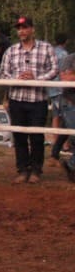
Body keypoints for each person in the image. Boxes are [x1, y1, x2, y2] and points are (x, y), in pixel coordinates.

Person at [0, 16, 58, 184]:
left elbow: (54, 69)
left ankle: (36, 170)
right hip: (17, 99)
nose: (22, 31)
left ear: (32, 29)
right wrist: (16, 79)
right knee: (19, 136)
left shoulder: (46, 48)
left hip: (37, 99)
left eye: (25, 27)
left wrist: (37, 78)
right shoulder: (11, 51)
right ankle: (22, 169)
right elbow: (3, 72)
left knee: (37, 136)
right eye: (19, 28)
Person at [48, 33, 69, 160]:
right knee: (65, 117)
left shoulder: (51, 52)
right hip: (61, 89)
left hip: (51, 89)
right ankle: (64, 145)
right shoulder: (64, 54)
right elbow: (64, 72)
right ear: (66, 41)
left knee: (56, 116)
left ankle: (55, 143)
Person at [56, 54, 75, 183]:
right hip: (70, 102)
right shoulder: (70, 59)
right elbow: (65, 79)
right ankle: (71, 166)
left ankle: (71, 165)